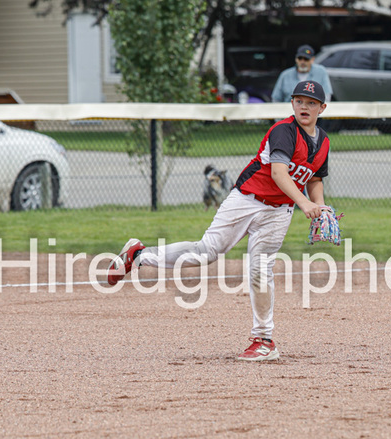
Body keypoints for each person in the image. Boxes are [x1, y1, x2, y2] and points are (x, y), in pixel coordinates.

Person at [107, 80, 331, 362]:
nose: (304, 107)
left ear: (322, 108)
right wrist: (305, 204)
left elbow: (315, 177)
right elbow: (278, 173)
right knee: (206, 252)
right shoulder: (283, 131)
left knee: (261, 270)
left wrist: (320, 207)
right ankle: (139, 255)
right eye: (299, 101)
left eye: (311, 103)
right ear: (292, 104)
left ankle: (264, 340)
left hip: (278, 212)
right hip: (247, 199)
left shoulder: (323, 142)